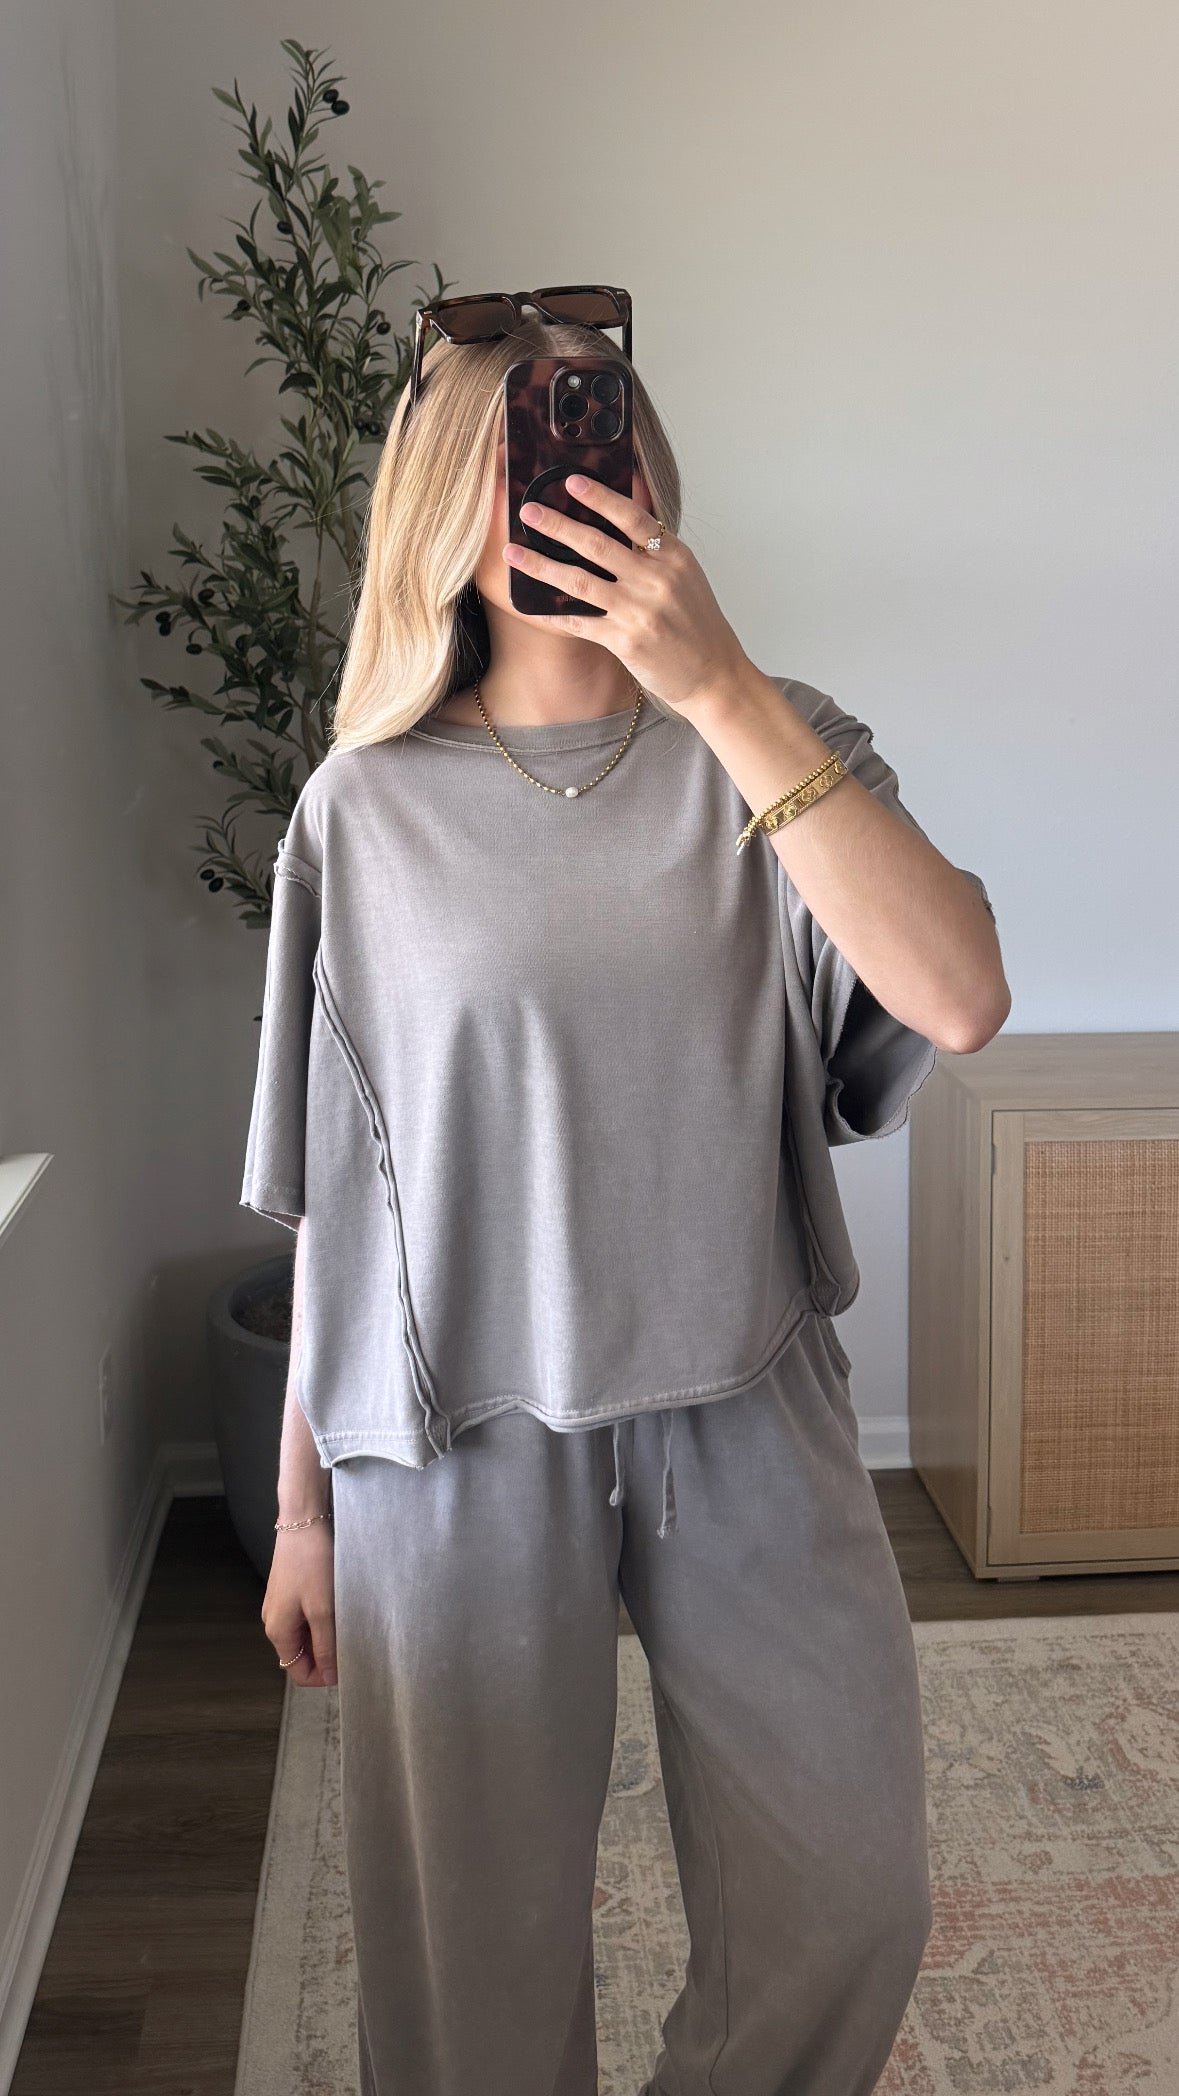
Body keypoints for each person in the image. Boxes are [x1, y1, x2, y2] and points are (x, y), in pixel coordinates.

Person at [242, 305, 1008, 2096]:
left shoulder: (779, 742)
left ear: (652, 470)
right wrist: (299, 1507)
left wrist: (723, 690)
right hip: (450, 1435)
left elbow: (961, 996)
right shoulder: (361, 810)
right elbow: (342, 1184)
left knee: (851, 1899)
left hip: (747, 1392)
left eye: (603, 434)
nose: (577, 482)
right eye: (529, 453)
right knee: (474, 1970)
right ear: (449, 506)